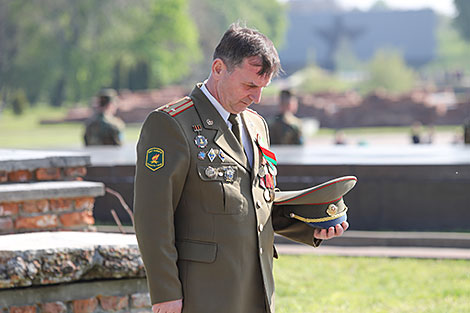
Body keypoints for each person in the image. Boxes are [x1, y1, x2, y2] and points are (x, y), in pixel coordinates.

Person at [133, 23, 348, 313]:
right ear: (219, 68)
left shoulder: (256, 125)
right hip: (202, 292)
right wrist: (165, 292)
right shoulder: (172, 124)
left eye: (262, 88)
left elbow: (256, 202)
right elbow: (152, 217)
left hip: (256, 287)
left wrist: (311, 225)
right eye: (249, 85)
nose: (257, 98)